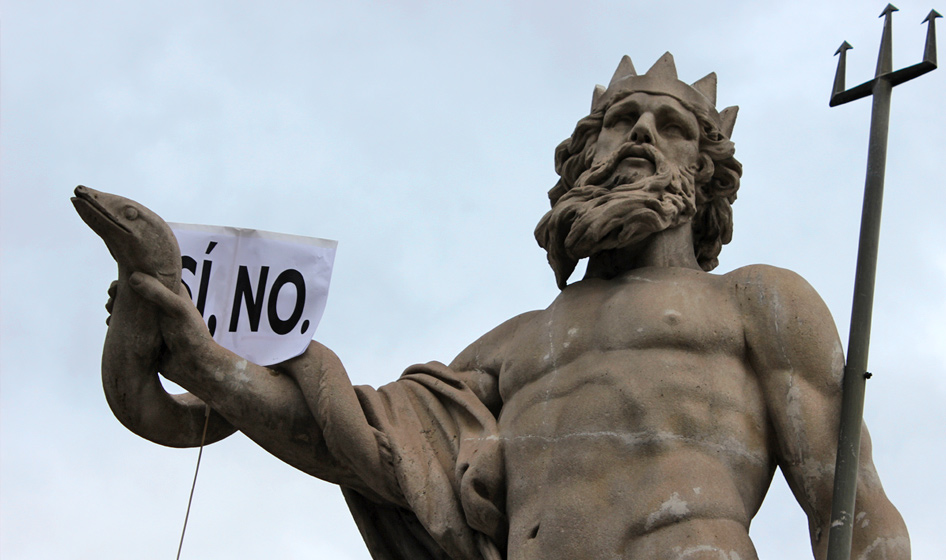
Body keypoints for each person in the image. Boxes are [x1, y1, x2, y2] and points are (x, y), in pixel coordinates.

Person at [124, 53, 909, 559]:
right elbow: (359, 444)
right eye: (616, 123)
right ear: (583, 160)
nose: (639, 132)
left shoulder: (755, 301)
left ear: (703, 178)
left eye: (670, 127)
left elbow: (850, 491)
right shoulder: (511, 347)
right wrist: (202, 358)